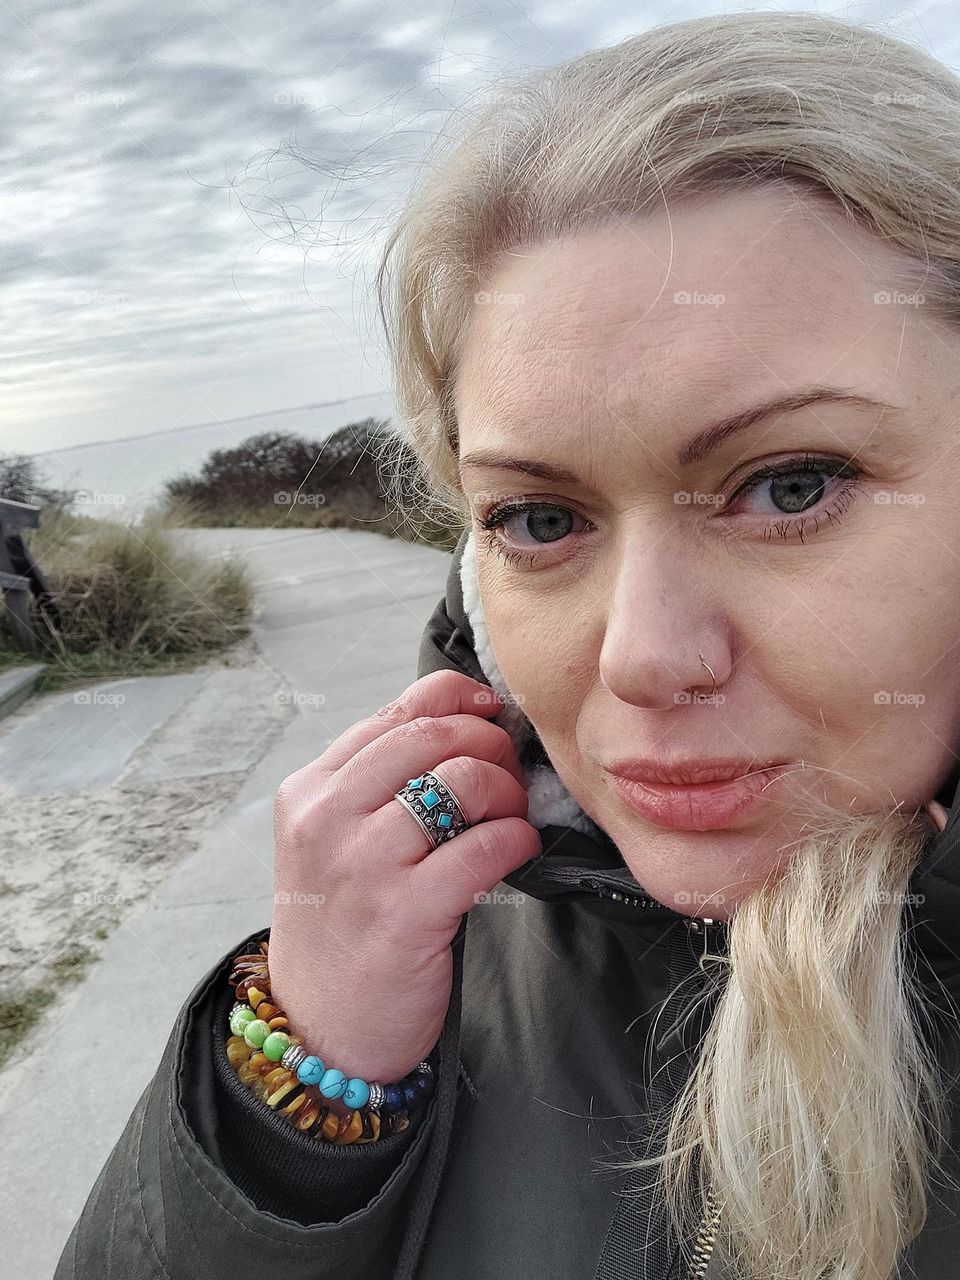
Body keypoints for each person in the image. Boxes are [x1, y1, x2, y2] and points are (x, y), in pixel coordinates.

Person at [55, 10, 960, 1280]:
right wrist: (299, 1075)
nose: (643, 658)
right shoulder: (417, 947)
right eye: (541, 518)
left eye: (794, 484)